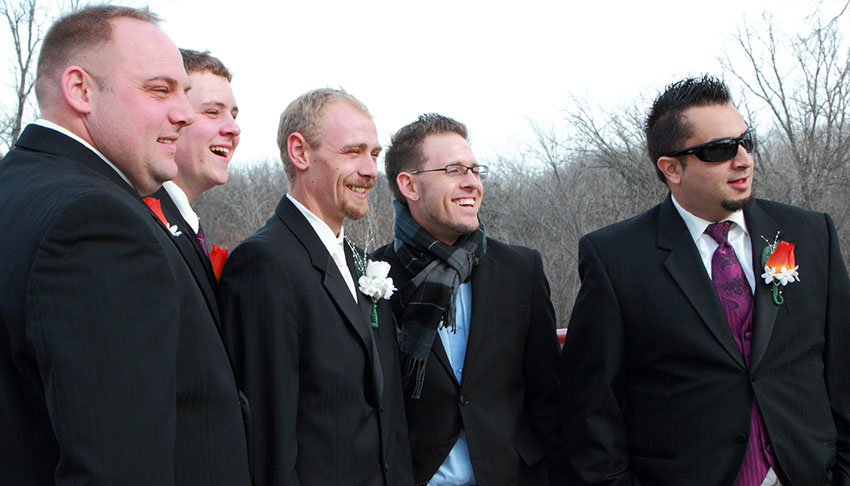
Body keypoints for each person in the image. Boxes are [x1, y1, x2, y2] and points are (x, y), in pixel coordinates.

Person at [0, 6, 250, 485]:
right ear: (81, 90)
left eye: (183, 92)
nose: (183, 113)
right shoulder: (97, 223)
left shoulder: (20, 187)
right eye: (159, 90)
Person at [560, 75, 850, 486]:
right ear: (671, 168)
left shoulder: (810, 234)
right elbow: (591, 410)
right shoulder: (614, 257)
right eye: (720, 150)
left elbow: (842, 374)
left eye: (746, 142)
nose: (744, 159)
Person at [219, 88, 414, 485]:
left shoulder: (361, 262)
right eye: (353, 152)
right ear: (300, 152)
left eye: (374, 154)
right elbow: (269, 440)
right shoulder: (264, 263)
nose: (371, 170)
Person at [373, 113, 562, 485]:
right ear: (409, 185)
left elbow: (550, 397)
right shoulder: (372, 276)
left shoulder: (520, 270)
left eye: (476, 171)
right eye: (455, 171)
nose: (472, 183)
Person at [150, 48, 240, 316]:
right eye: (213, 112)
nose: (234, 129)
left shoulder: (184, 224)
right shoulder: (137, 224)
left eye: (234, 115)